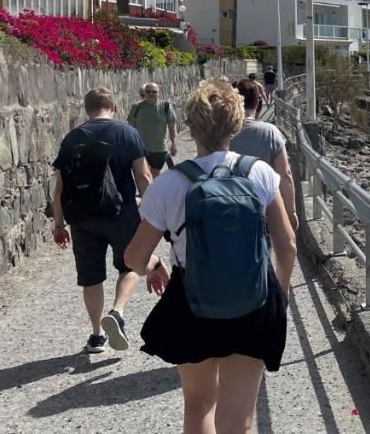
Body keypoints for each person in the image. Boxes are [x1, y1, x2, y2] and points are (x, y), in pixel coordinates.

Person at [126, 79, 297, 434]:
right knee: (239, 418)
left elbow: (133, 258)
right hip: (253, 300)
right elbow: (288, 245)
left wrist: (155, 266)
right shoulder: (259, 173)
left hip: (192, 303)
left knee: (199, 403)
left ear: (190, 127)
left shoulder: (169, 184)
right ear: (236, 125)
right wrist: (279, 289)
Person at [52, 87, 156, 354]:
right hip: (121, 214)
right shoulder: (126, 132)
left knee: (91, 276)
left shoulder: (72, 138)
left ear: (86, 110)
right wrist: (155, 213)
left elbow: (60, 188)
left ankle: (97, 336)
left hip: (83, 218)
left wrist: (59, 224)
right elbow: (143, 177)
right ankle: (117, 312)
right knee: (130, 265)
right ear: (114, 106)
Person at [230, 78, 299, 233]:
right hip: (262, 211)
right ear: (257, 104)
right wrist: (290, 211)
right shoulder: (269, 132)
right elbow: (285, 174)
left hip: (226, 208)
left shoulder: (221, 132)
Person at [127, 82, 178, 174]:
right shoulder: (137, 106)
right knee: (143, 174)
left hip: (159, 148)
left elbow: (171, 127)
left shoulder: (165, 106)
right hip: (140, 147)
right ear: (144, 93)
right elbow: (131, 126)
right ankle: (148, 188)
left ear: (158, 93)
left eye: (154, 91)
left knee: (155, 173)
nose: (151, 94)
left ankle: (151, 187)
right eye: (148, 91)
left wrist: (173, 144)